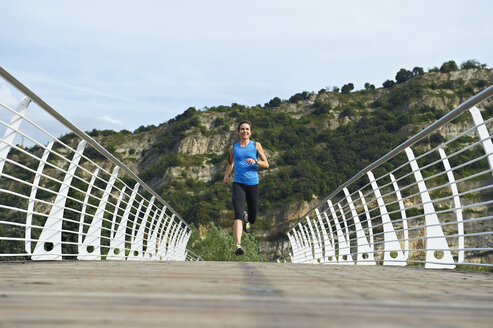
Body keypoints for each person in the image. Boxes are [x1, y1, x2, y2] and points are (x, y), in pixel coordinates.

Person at [223, 120, 269, 256]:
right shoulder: (233, 148)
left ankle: (247, 218)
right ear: (238, 132)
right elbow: (230, 163)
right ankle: (238, 245)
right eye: (242, 129)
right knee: (237, 213)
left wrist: (256, 161)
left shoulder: (256, 145)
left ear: (251, 132)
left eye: (247, 129)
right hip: (238, 184)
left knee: (253, 217)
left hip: (253, 184)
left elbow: (266, 164)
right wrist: (226, 175)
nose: (245, 131)